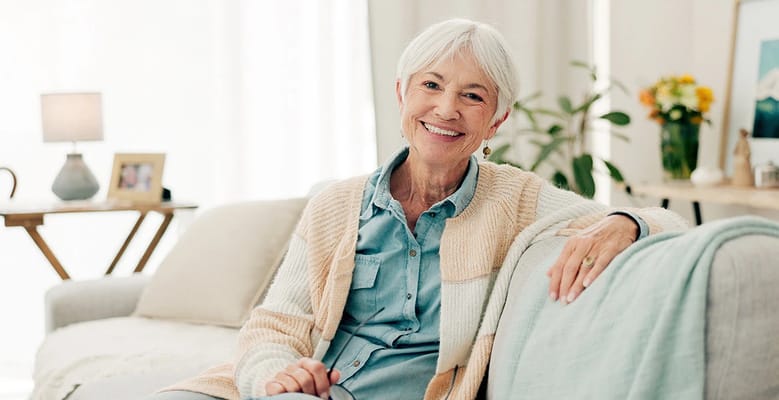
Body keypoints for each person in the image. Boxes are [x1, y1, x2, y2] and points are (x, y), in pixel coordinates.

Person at [149, 18, 686, 400]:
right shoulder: (337, 204)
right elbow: (275, 325)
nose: (446, 108)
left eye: (473, 96)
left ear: (496, 121)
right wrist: (275, 378)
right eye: (431, 85)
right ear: (402, 94)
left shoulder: (515, 199)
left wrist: (624, 222)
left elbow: (673, 224)